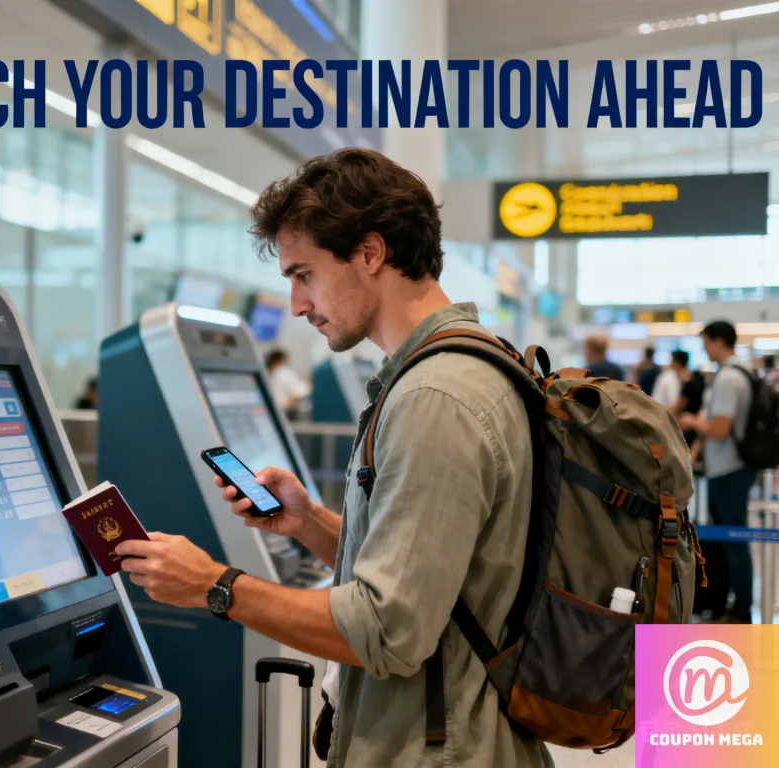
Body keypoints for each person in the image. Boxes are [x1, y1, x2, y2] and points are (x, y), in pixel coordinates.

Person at [112, 149, 550, 767]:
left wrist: (214, 585)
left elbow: (388, 630)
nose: (296, 303)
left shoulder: (435, 397)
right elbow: (436, 574)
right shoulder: (460, 365)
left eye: (304, 274)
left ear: (369, 253)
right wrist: (311, 523)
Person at [679, 321, 755, 624]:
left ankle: (740, 611)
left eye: (706, 342)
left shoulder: (728, 378)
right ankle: (728, 606)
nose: (705, 349)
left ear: (719, 341)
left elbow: (721, 428)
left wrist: (692, 423)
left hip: (729, 468)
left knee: (734, 541)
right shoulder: (742, 372)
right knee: (729, 541)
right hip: (732, 466)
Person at [264, 348, 311, 419]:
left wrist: (287, 408)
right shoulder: (278, 374)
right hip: (283, 412)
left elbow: (298, 392)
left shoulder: (282, 373)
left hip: (287, 413)